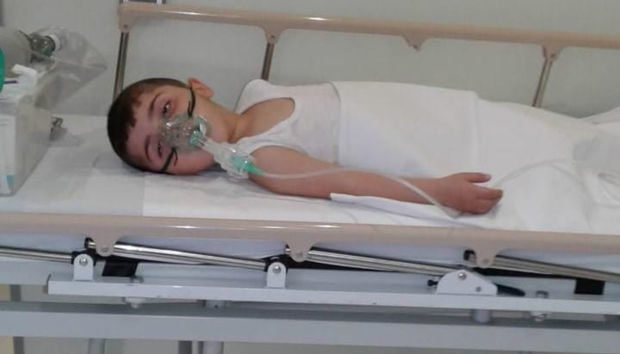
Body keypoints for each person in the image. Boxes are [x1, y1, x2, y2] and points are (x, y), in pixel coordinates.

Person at [107, 77, 506, 215]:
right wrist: (439, 191)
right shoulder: (262, 158)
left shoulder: (255, 93)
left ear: (198, 87)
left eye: (167, 109)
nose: (175, 131)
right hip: (435, 147)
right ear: (173, 174)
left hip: (430, 113)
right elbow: (348, 182)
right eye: (160, 149)